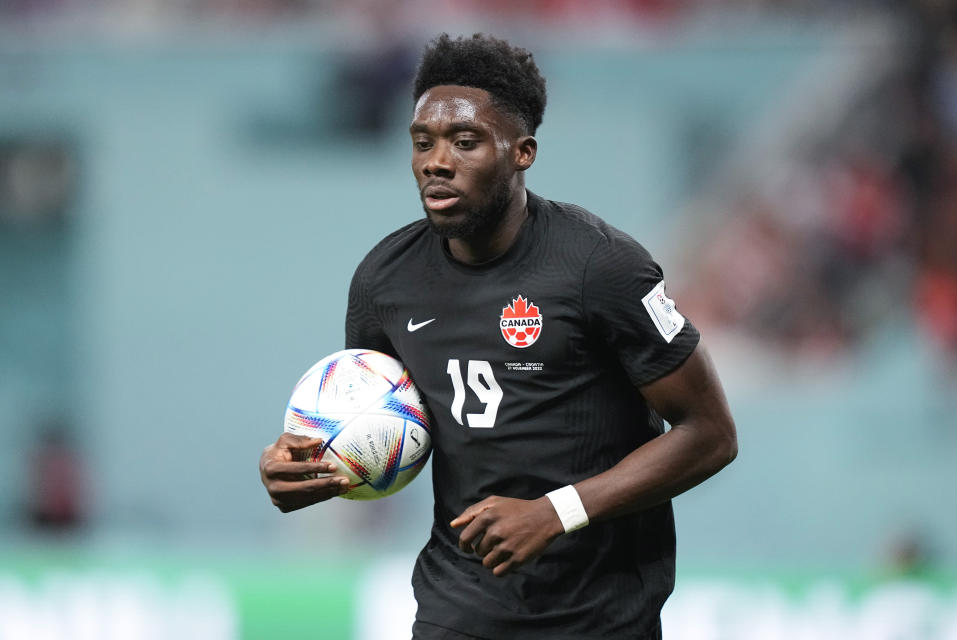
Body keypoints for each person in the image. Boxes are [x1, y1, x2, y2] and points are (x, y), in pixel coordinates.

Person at [260, 33, 738, 640]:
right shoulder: (385, 282)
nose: (437, 161)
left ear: (522, 152)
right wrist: (309, 466)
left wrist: (554, 513)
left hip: (601, 618)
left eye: (465, 142)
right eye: (423, 142)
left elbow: (711, 434)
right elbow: (380, 423)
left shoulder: (602, 267)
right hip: (458, 610)